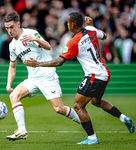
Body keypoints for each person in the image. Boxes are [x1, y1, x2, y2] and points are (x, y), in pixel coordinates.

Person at [24, 12, 135, 145]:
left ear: (73, 25)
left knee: (78, 106)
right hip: (104, 72)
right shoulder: (91, 30)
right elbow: (104, 36)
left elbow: (59, 62)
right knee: (96, 101)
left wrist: (38, 64)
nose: (67, 25)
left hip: (94, 75)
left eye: (68, 23)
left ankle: (92, 138)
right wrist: (92, 27)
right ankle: (124, 118)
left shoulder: (74, 42)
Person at [4, 11, 81, 141]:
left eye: (11, 27)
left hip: (47, 76)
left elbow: (48, 47)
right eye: (7, 28)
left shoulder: (30, 33)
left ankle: (84, 121)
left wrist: (37, 39)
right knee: (14, 95)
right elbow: (12, 66)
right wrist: (8, 85)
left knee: (59, 108)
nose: (9, 31)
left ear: (18, 24)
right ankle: (22, 130)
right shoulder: (12, 45)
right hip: (33, 79)